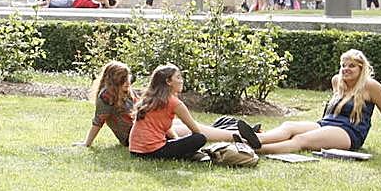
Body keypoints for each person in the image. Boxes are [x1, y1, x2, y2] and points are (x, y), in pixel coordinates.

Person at [255, 50, 381, 155]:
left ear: (361, 69)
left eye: (351, 66)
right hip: (326, 124)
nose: (346, 69)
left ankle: (257, 149)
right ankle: (257, 139)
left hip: (348, 132)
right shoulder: (337, 81)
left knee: (301, 140)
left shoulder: (371, 87)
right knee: (289, 126)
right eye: (343, 65)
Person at [80, 61, 259, 149]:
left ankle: (243, 132)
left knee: (190, 126)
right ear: (113, 82)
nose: (128, 84)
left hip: (146, 128)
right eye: (124, 82)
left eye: (128, 80)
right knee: (192, 129)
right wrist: (86, 143)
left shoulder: (125, 91)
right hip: (135, 136)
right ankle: (241, 136)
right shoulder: (107, 96)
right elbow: (98, 121)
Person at [128, 65, 213, 160]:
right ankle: (190, 155)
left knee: (178, 142)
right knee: (199, 138)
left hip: (135, 151)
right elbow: (196, 131)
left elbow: (164, 129)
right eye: (178, 77)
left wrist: (177, 141)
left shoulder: (149, 98)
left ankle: (189, 154)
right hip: (153, 151)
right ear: (168, 82)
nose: (181, 81)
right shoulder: (174, 102)